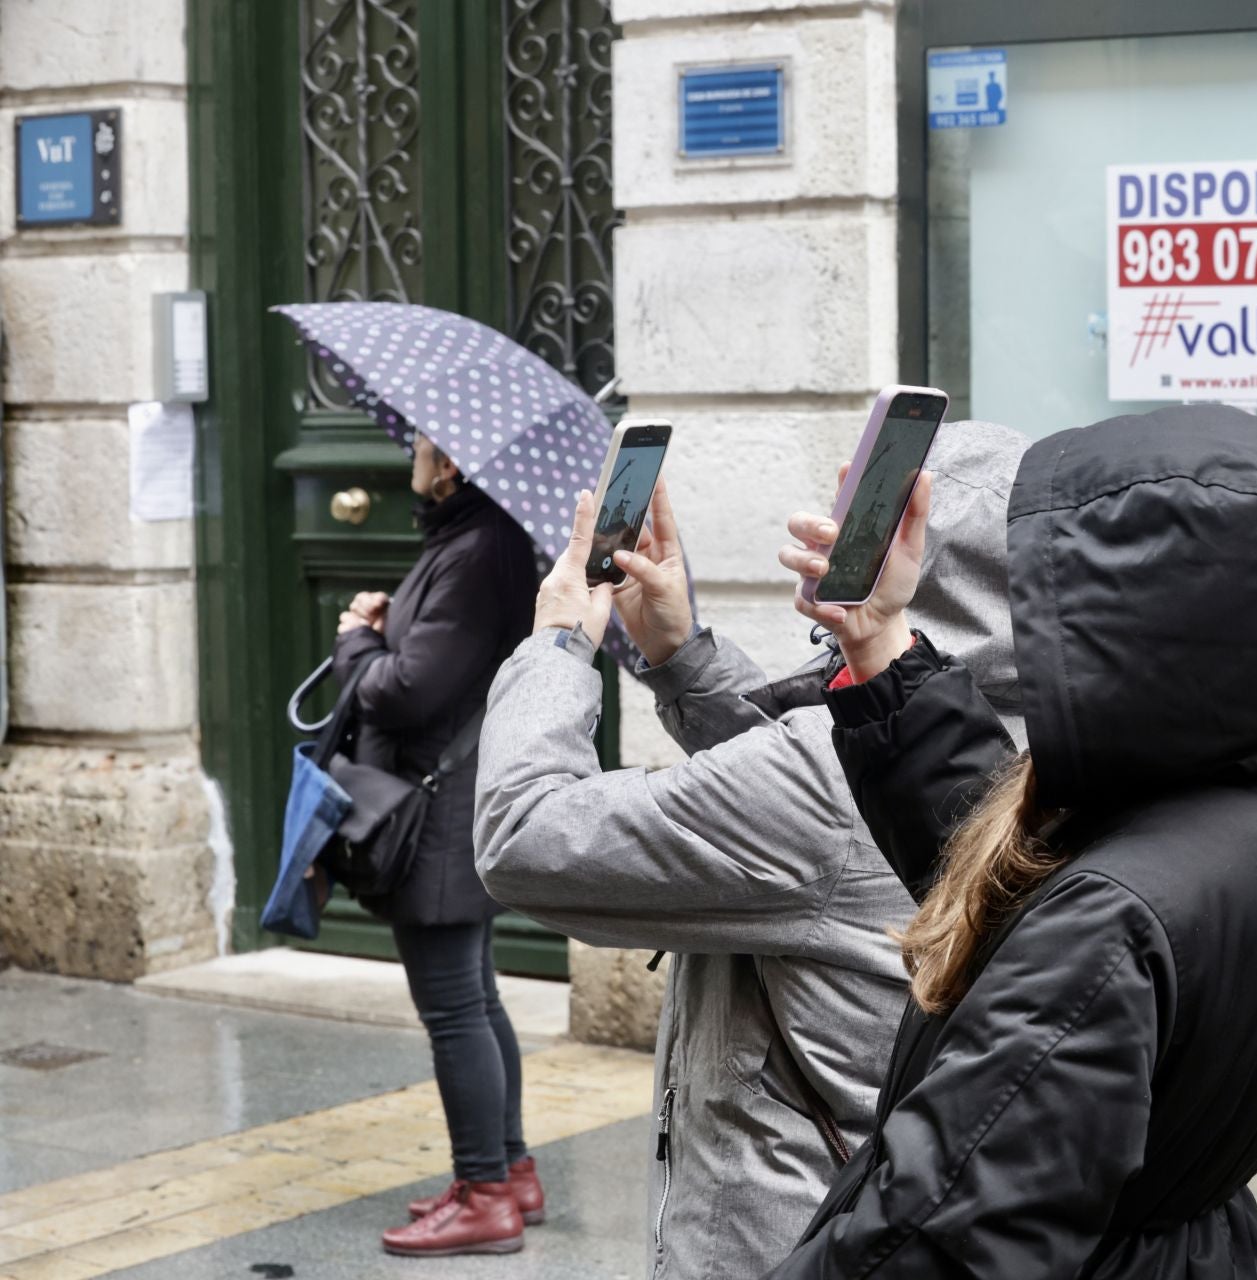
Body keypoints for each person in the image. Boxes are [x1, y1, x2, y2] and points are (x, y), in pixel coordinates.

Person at [769, 404, 1257, 1278]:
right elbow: (1026, 866)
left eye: (1065, 598)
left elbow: (934, 1239)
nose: (1037, 623)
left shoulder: (1110, 925)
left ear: (1153, 623)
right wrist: (879, 648)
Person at [472, 425, 1027, 1280]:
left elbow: (523, 834)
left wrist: (557, 642)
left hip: (781, 1238)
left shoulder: (823, 775)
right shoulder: (1028, 736)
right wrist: (681, 655)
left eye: (866, 515)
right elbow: (824, 799)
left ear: (910, 551)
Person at [332, 431, 544, 1258]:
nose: (410, 458)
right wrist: (393, 624)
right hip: (455, 805)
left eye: (421, 445)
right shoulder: (469, 540)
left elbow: (409, 691)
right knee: (476, 998)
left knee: (454, 1006)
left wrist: (355, 635)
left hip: (440, 816)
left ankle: (486, 1191)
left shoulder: (475, 549)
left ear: (450, 463)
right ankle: (509, 1171)